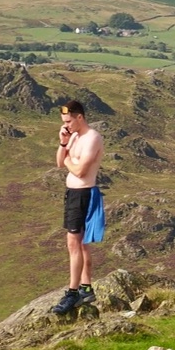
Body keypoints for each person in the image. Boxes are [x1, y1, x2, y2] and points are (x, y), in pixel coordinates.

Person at [51, 100, 105, 315]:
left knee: (74, 244)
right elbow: (58, 161)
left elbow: (81, 171)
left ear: (79, 117)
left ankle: (72, 293)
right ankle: (86, 287)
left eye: (68, 121)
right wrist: (63, 143)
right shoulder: (73, 136)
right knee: (82, 245)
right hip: (73, 194)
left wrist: (68, 162)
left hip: (83, 194)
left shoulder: (93, 138)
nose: (66, 125)